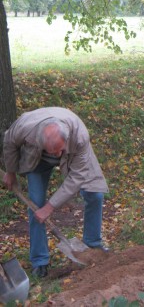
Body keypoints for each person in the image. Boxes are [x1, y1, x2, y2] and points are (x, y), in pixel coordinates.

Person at [2, 107, 109, 278]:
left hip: (74, 156)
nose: (57, 155)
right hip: (37, 159)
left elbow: (77, 177)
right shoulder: (25, 127)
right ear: (40, 141)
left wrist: (50, 207)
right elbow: (9, 142)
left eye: (59, 150)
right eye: (53, 152)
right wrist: (11, 171)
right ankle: (40, 261)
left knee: (95, 194)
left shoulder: (79, 137)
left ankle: (93, 244)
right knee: (36, 206)